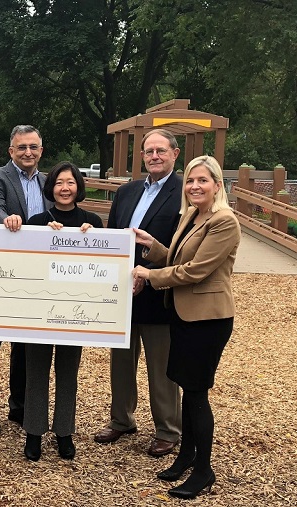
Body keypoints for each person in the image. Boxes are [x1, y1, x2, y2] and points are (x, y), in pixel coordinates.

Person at [132, 155, 240, 499]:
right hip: (183, 313)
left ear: (217, 185)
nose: (195, 186)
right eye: (191, 180)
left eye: (203, 181)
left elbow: (195, 271)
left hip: (208, 319)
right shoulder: (194, 216)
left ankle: (203, 470)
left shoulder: (224, 222)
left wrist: (149, 275)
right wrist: (153, 248)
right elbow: (179, 259)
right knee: (187, 388)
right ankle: (186, 457)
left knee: (196, 394)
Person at [94, 128, 182, 457]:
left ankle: (167, 430)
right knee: (121, 362)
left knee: (162, 368)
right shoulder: (127, 192)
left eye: (161, 150)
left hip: (159, 293)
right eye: (148, 151)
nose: (154, 156)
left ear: (175, 154)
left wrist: (151, 273)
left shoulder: (183, 192)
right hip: (123, 294)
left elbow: (184, 246)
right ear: (141, 156)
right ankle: (121, 419)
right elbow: (114, 238)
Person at [23, 162, 104, 461]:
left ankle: (64, 432)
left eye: (70, 182)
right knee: (36, 371)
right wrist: (41, 235)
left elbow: (104, 264)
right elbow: (24, 262)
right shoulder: (36, 220)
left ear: (79, 186)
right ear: (51, 187)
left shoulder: (92, 221)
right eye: (59, 183)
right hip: (40, 309)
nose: (65, 188)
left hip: (76, 310)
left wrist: (94, 238)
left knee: (68, 372)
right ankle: (33, 432)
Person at [0, 125, 50, 433]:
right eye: (22, 148)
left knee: (26, 346)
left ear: (41, 151)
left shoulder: (48, 181)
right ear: (11, 151)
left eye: (33, 147)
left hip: (37, 276)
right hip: (2, 272)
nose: (28, 152)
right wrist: (4, 218)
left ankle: (19, 406)